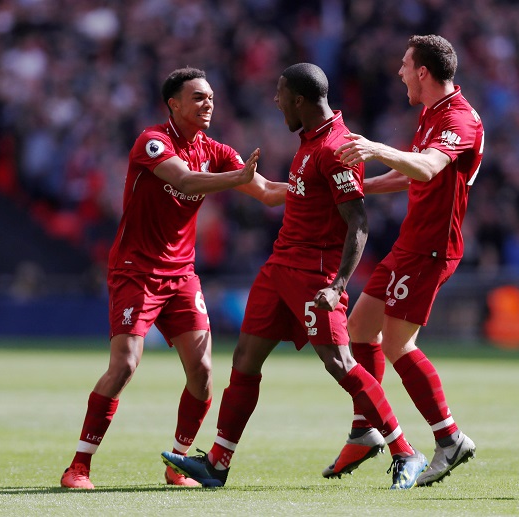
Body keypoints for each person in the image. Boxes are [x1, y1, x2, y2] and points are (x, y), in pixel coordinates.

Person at [161, 62, 428, 490]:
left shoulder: (336, 148)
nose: (275, 100)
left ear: (300, 100)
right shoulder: (309, 141)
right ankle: (217, 461)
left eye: (281, 94)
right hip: (279, 268)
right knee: (245, 359)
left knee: (340, 363)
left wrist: (337, 285)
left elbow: (358, 223)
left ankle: (404, 450)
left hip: (314, 275)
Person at [60, 67, 287, 489]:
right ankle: (78, 466)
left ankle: (177, 462)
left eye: (212, 97)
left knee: (202, 371)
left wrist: (319, 186)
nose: (208, 104)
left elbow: (268, 191)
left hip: (181, 275)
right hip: (136, 270)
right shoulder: (152, 141)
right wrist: (234, 179)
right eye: (199, 97)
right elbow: (184, 178)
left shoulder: (216, 150)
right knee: (125, 365)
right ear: (174, 104)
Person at [321, 34, 484, 486]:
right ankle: (366, 428)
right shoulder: (431, 114)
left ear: (424, 73)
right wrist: (362, 187)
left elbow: (429, 167)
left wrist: (373, 147)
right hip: (410, 243)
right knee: (358, 329)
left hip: (431, 248)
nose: (399, 72)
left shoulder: (460, 119)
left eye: (405, 65)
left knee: (397, 344)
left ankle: (449, 439)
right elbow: (410, 171)